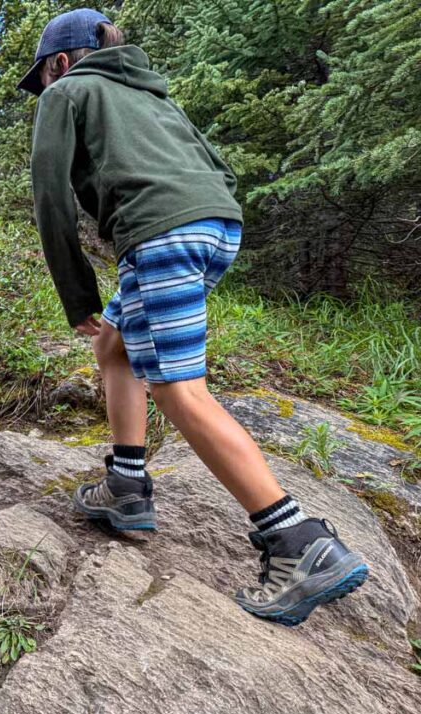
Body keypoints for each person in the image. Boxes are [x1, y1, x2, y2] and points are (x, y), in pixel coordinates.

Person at [19, 9, 368, 625]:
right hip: (215, 226)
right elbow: (220, 170)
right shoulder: (153, 96)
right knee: (117, 347)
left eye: (42, 77)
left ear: (60, 62)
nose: (43, 89)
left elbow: (49, 196)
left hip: (160, 237)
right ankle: (126, 487)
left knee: (179, 388)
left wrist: (76, 296)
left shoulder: (67, 91)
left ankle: (296, 540)